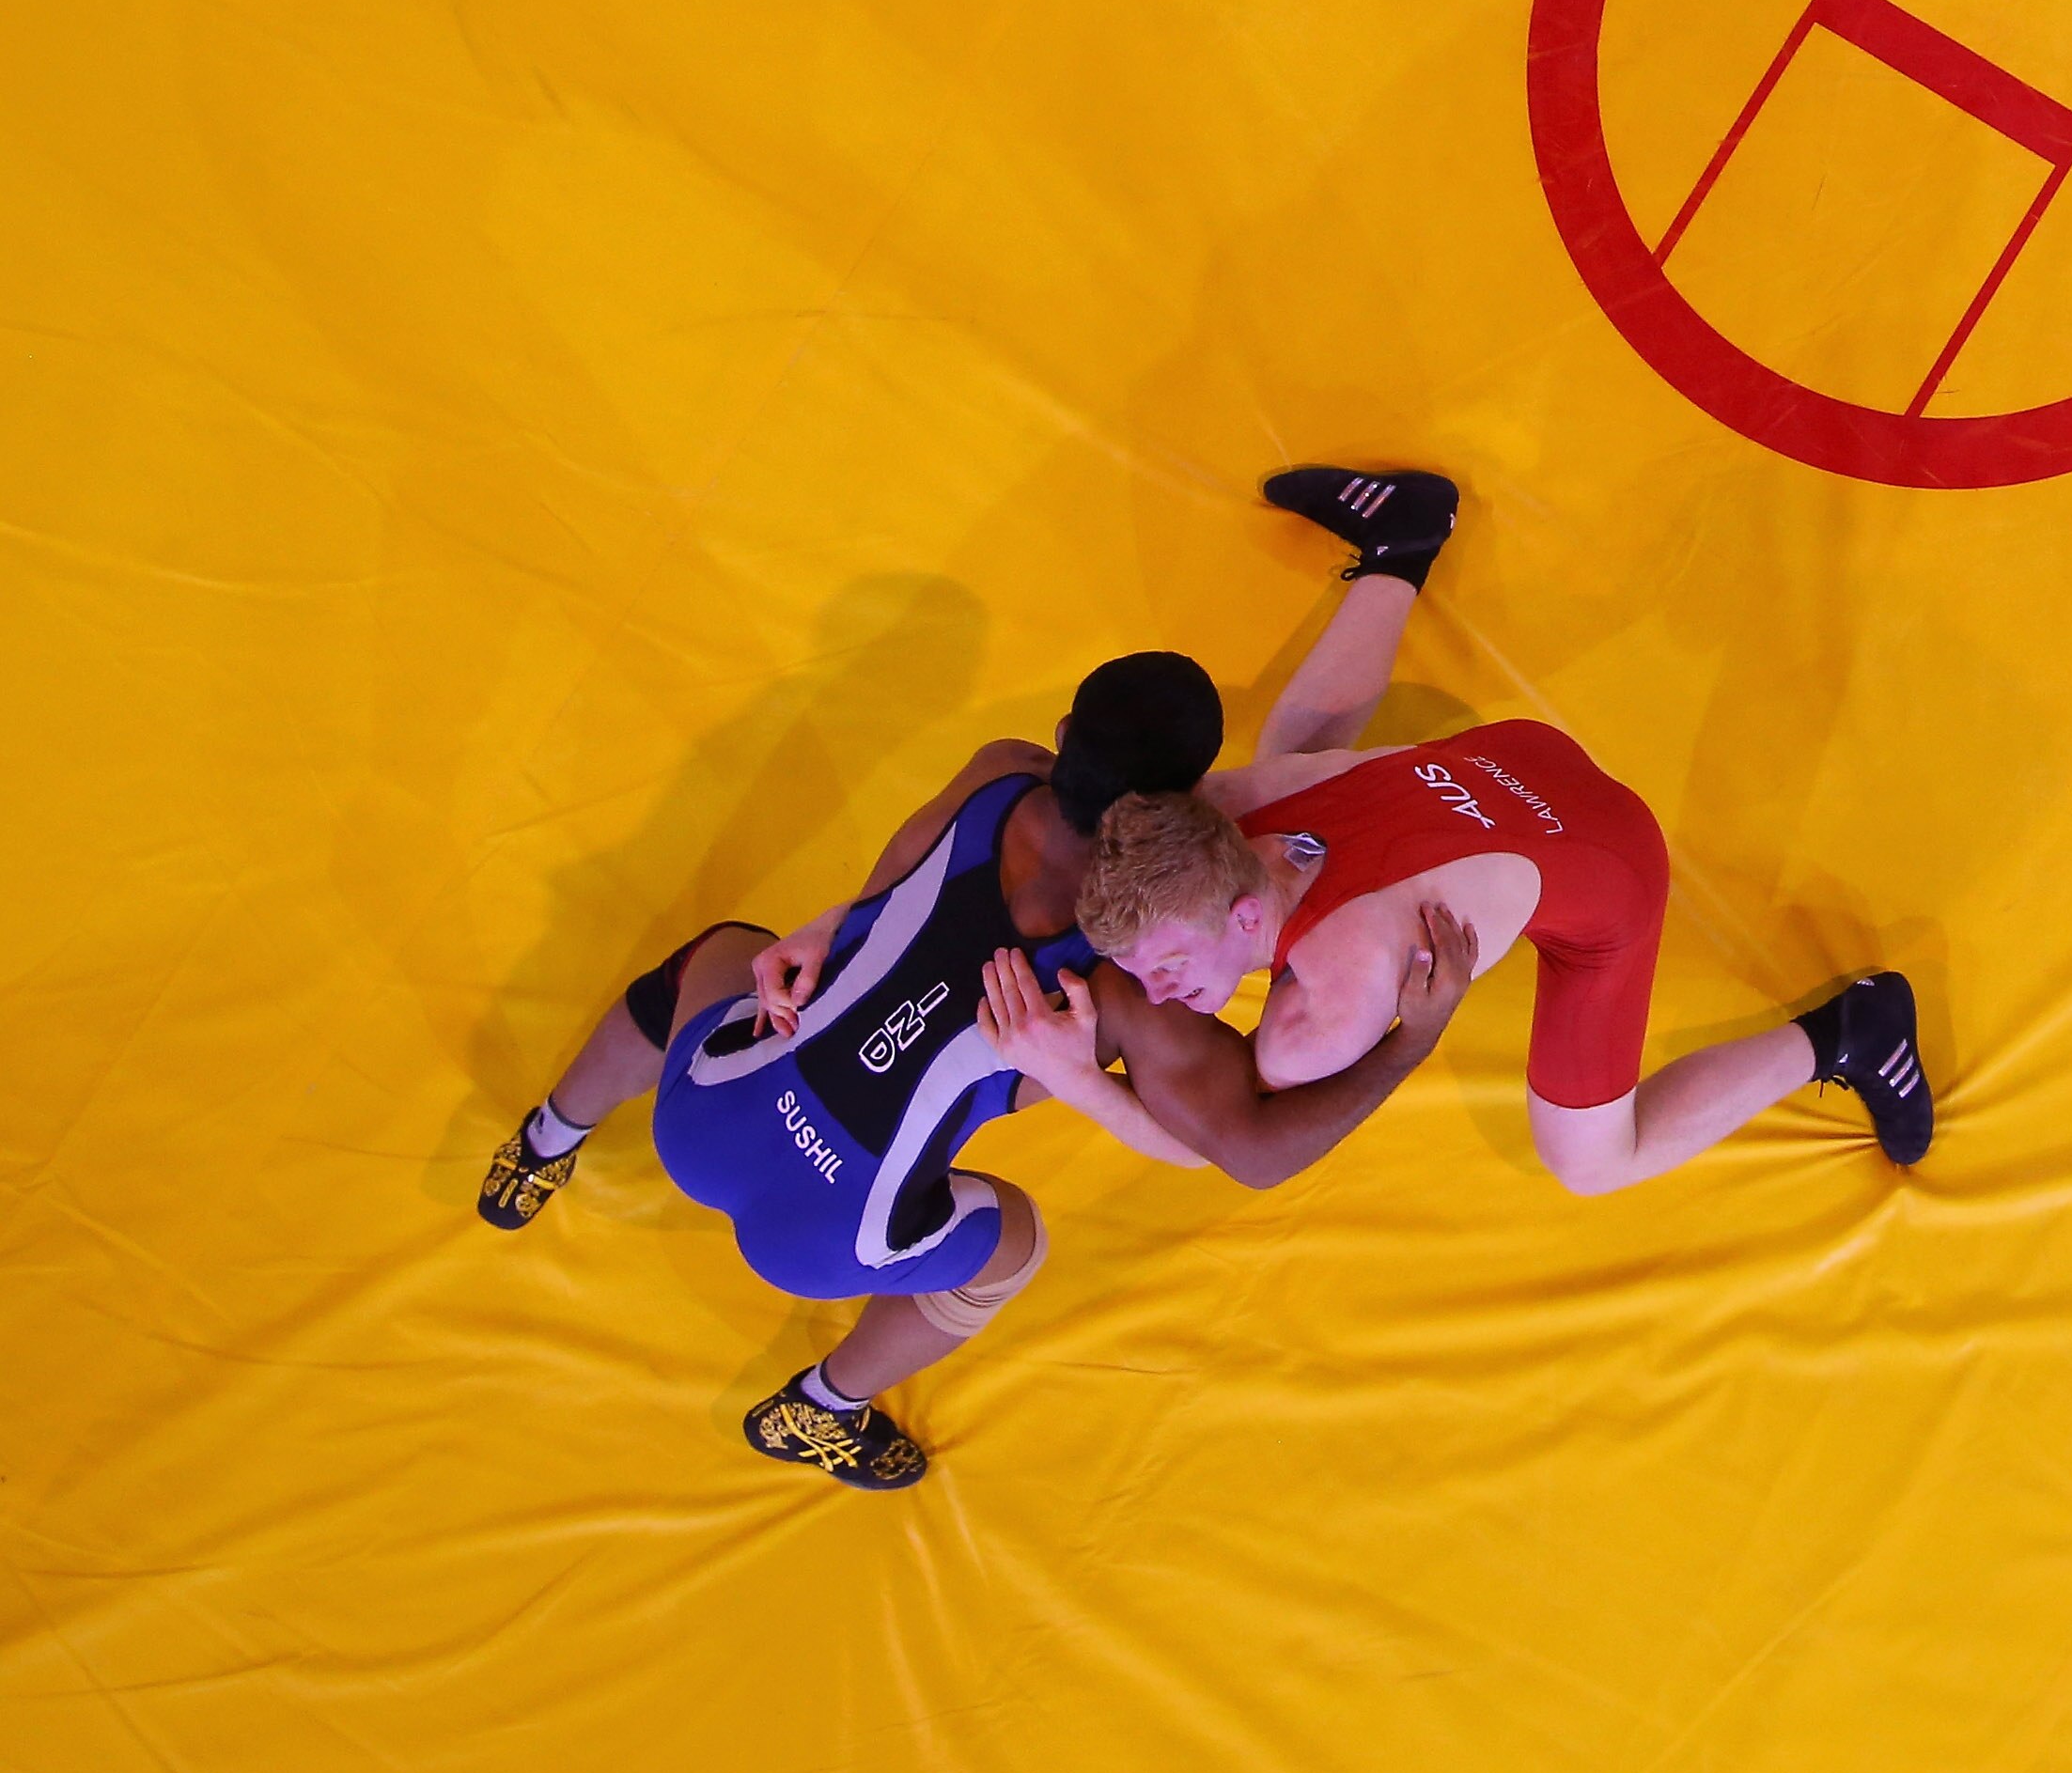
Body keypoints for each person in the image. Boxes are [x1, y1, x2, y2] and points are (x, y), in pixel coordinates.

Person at [473, 466, 1481, 1488]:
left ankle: (546, 1135)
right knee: (1015, 1242)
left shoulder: (999, 773)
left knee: (725, 949)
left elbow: (889, 885)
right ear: (1182, 804)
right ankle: (819, 1408)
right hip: (825, 1241)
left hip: (705, 1120)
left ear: (1061, 740)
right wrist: (1414, 1033)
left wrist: (829, 935)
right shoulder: (1128, 975)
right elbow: (1252, 1146)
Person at [1086, 473, 1934, 1197]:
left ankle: (1852, 1034)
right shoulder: (1224, 806)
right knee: (1296, 760)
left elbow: (1230, 1135)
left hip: (1608, 863)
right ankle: (1402, 546)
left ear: (1240, 920)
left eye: (1165, 967)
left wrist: (1072, 1073)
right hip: (1512, 755)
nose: (1155, 994)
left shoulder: (1326, 1013)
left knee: (1593, 1159)